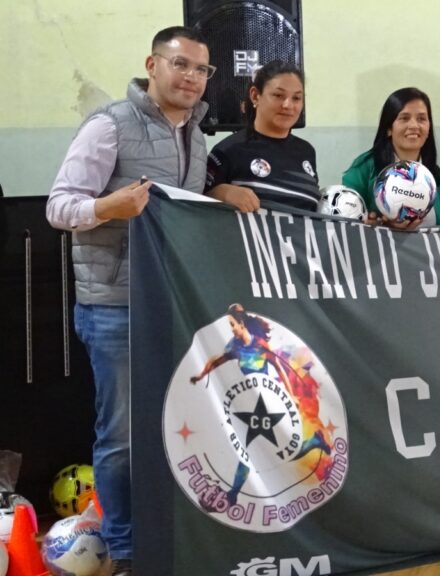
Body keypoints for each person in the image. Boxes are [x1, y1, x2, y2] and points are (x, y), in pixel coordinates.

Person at [46, 26, 213, 575]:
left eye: (201, 69)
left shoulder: (197, 136)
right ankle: (124, 551)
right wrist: (106, 208)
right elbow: (58, 206)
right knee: (121, 436)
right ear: (152, 64)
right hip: (113, 305)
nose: (191, 77)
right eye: (180, 64)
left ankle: (168, 539)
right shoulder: (109, 124)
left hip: (170, 304)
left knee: (173, 428)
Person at [189, 304, 334, 505]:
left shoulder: (259, 345)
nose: (231, 329)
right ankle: (314, 442)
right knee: (253, 450)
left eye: (232, 324)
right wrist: (201, 375)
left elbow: (279, 366)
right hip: (250, 403)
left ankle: (313, 442)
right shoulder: (235, 346)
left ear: (241, 324)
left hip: (269, 401)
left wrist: (290, 394)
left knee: (271, 450)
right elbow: (216, 360)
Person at [205, 60, 318, 212]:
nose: (288, 105)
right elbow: (198, 204)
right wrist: (222, 194)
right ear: (255, 96)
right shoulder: (228, 150)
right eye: (278, 95)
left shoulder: (307, 151)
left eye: (296, 98)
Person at [342, 87, 440, 228]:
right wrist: (379, 226)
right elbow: (346, 223)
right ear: (388, 128)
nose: (414, 125)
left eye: (421, 119)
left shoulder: (437, 177)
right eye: (404, 118)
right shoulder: (363, 169)